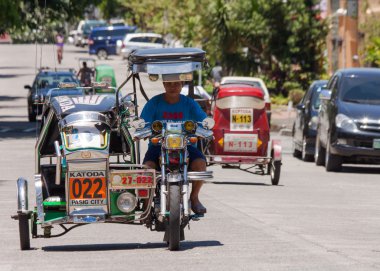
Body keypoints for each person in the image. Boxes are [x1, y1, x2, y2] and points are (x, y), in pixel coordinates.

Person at [140, 79, 208, 214]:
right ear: (164, 84)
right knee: (148, 167)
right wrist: (142, 130)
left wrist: (207, 128)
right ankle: (147, 202)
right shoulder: (154, 103)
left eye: (176, 83)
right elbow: (143, 122)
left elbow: (204, 121)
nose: (173, 86)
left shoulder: (189, 103)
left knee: (201, 164)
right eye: (169, 83)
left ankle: (194, 198)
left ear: (182, 85)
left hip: (186, 145)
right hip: (158, 146)